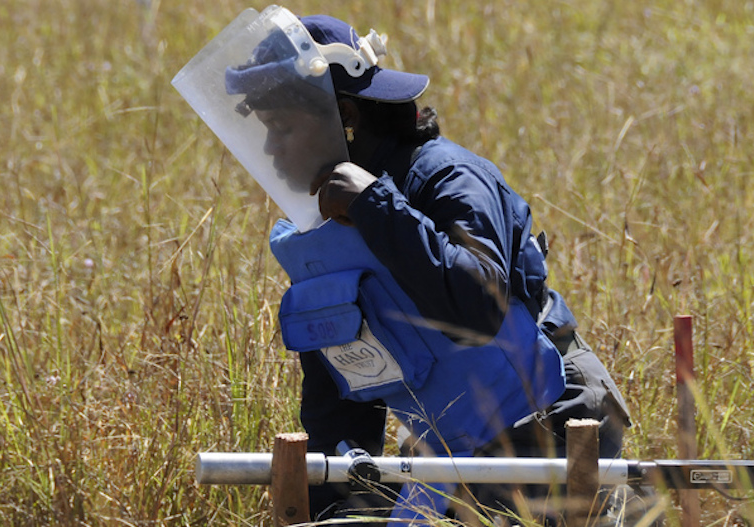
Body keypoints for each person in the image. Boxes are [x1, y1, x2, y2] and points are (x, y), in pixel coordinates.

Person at [210, 10, 633, 524]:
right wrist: (341, 509)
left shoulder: (446, 176)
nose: (270, 149)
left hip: (551, 418)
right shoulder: (322, 227)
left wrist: (374, 205)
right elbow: (342, 392)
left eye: (280, 128)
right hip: (456, 445)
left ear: (344, 117)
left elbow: (478, 306)